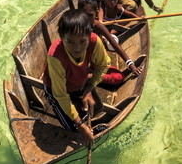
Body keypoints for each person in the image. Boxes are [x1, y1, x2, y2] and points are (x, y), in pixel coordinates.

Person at [42, 8, 132, 142]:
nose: (77, 48)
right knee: (73, 129)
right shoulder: (55, 56)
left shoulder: (94, 41)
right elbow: (60, 95)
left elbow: (104, 64)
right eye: (70, 42)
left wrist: (89, 87)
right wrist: (80, 125)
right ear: (61, 37)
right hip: (56, 88)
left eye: (82, 41)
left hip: (78, 82)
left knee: (96, 108)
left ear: (89, 35)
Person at [80, 0, 143, 76]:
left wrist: (131, 66)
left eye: (90, 15)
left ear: (96, 13)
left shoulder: (98, 26)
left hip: (95, 61)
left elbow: (115, 45)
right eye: (84, 15)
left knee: (117, 78)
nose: (87, 19)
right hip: (80, 62)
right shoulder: (76, 25)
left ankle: (89, 76)